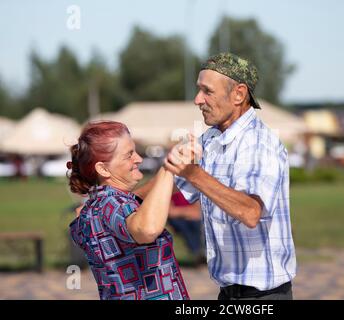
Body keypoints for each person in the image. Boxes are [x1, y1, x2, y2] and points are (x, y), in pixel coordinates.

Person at [164, 53, 297, 300]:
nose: (197, 100)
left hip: (263, 296)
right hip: (228, 293)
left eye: (207, 91)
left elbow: (250, 212)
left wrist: (194, 173)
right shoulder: (212, 139)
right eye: (198, 90)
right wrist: (118, 197)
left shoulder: (259, 143)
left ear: (238, 94)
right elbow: (170, 182)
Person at [67, 121, 189, 300]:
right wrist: (170, 166)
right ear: (102, 168)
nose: (138, 159)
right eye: (129, 155)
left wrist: (183, 169)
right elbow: (147, 230)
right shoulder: (112, 203)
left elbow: (148, 195)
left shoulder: (96, 205)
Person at [168, 192, 206, 266]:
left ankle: (198, 254)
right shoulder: (170, 191)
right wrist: (187, 212)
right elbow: (171, 212)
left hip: (190, 218)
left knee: (197, 225)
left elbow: (198, 213)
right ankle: (197, 253)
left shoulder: (193, 192)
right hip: (178, 220)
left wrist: (179, 212)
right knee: (183, 226)